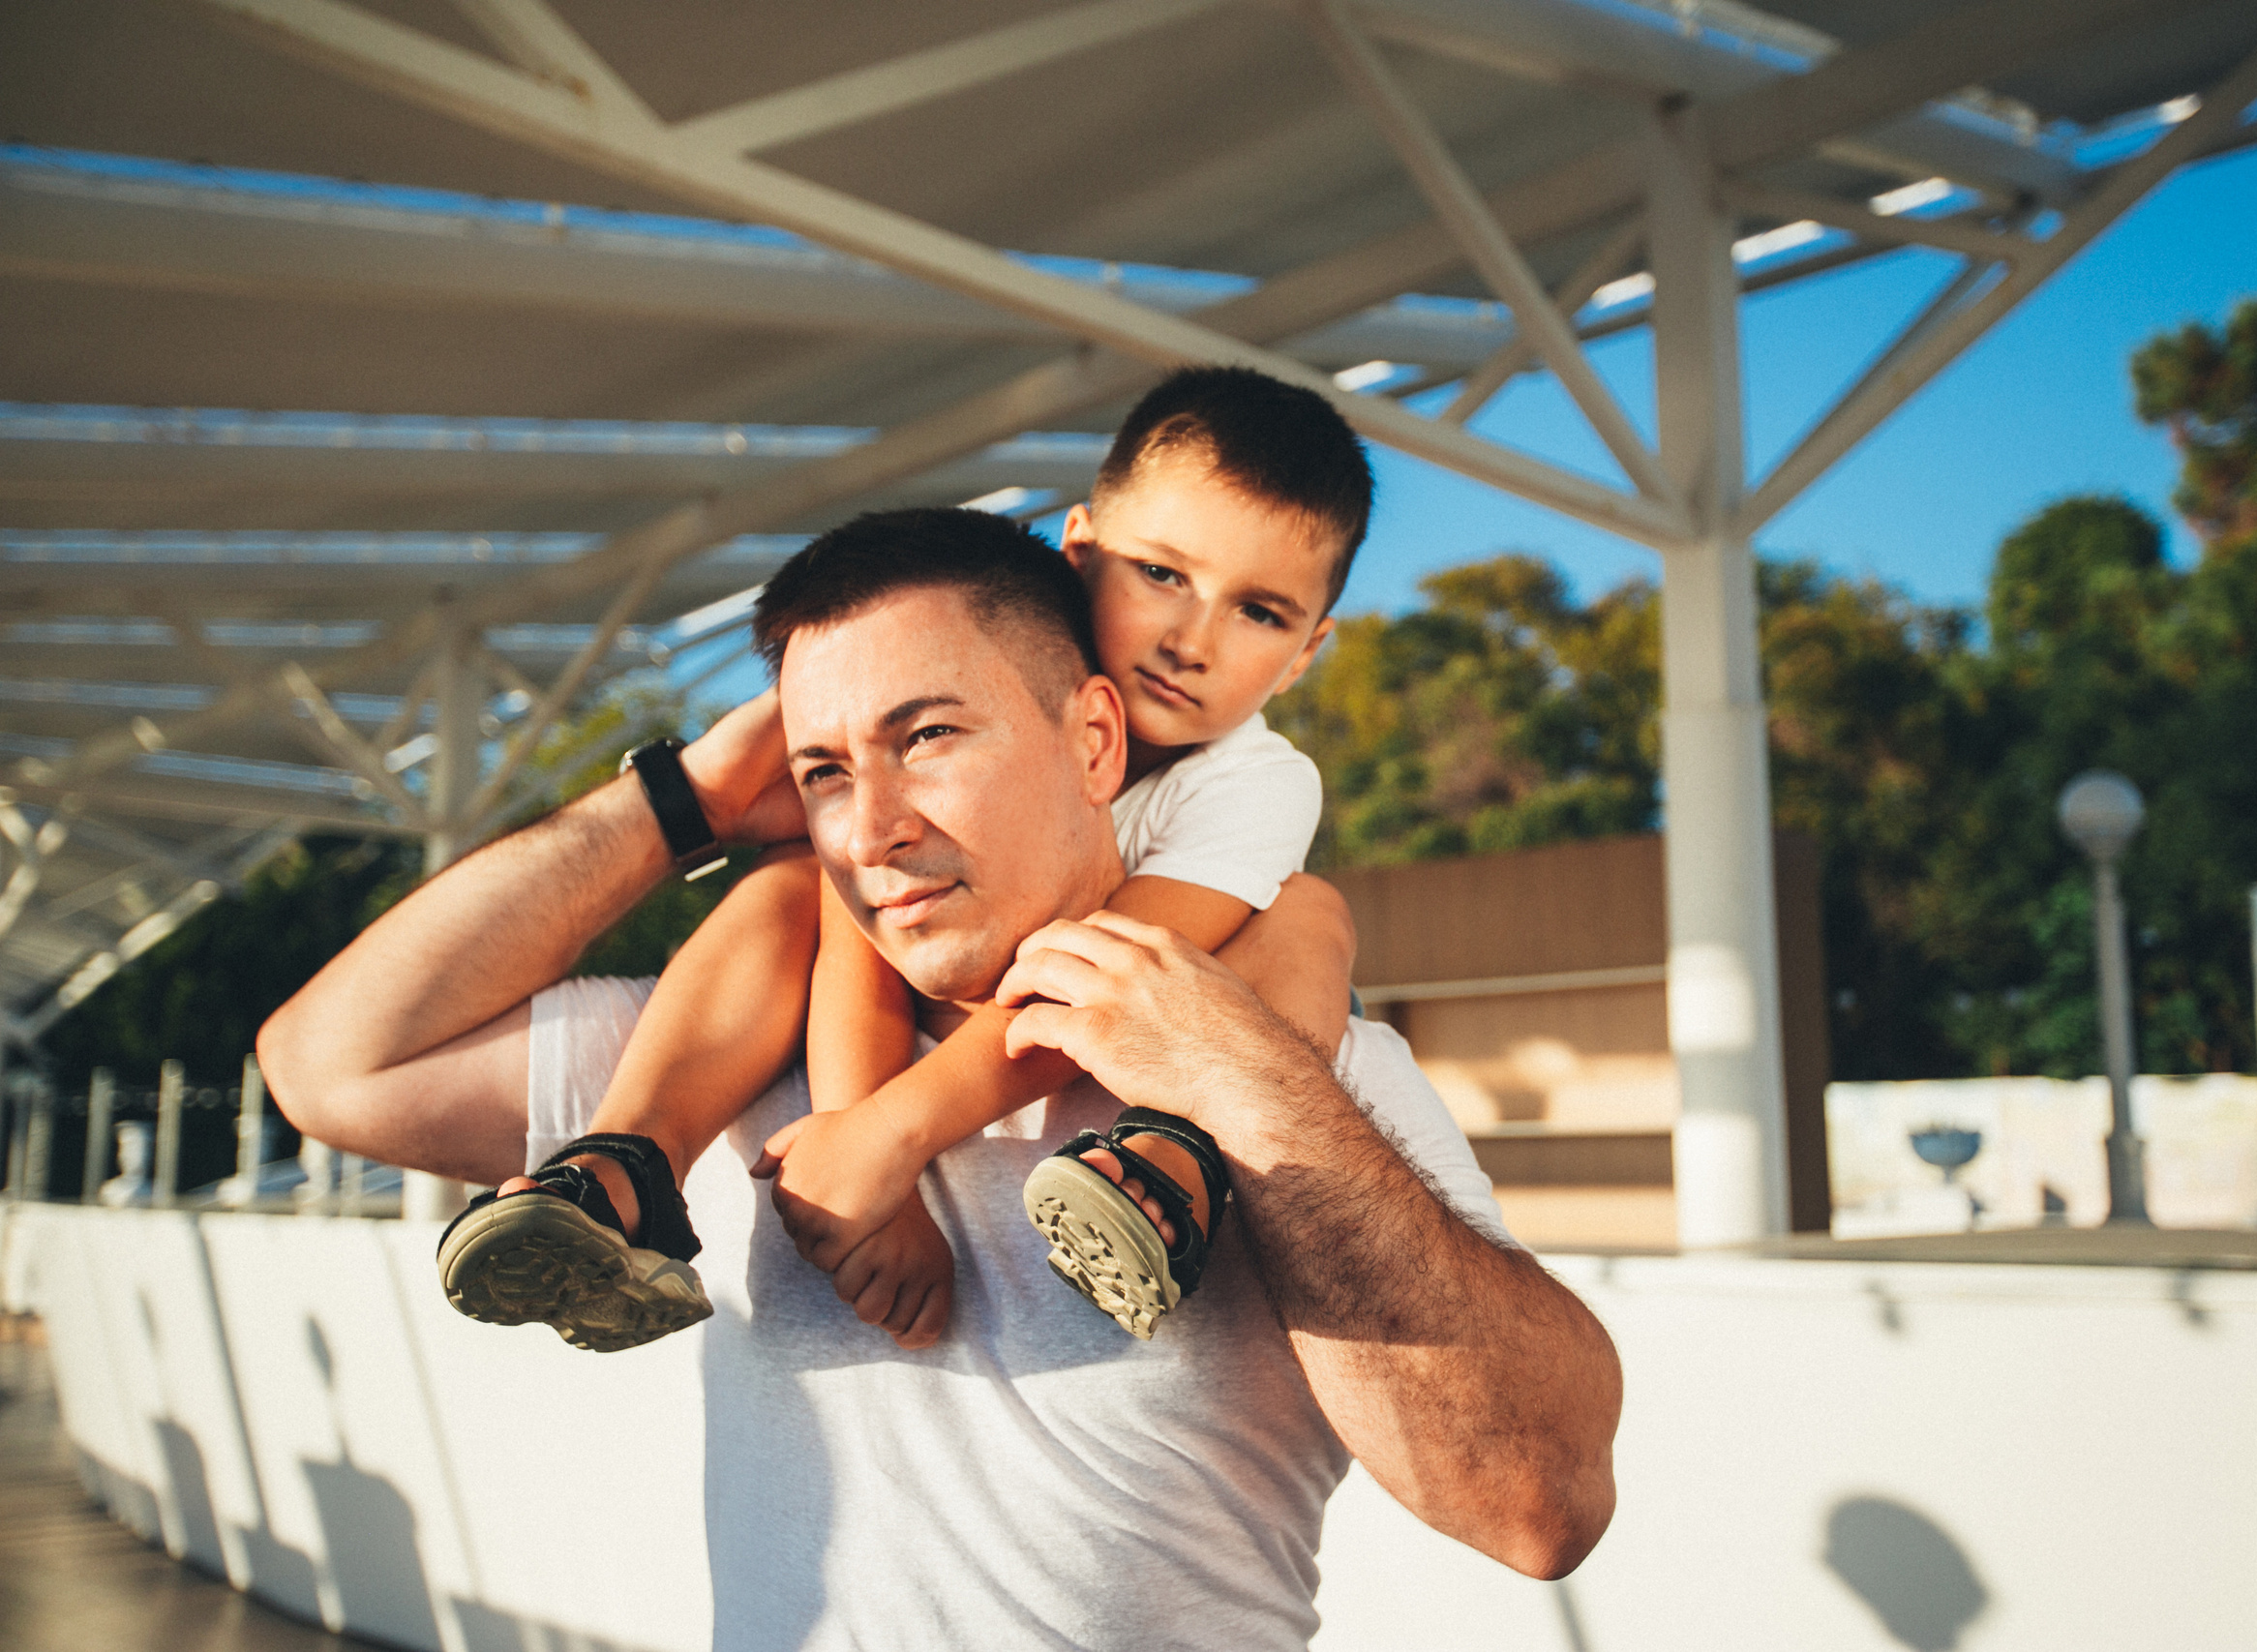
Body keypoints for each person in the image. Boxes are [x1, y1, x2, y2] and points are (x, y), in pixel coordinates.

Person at [257, 503, 1621, 1649]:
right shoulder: (736, 1041)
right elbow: (329, 1064)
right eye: (823, 768)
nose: (876, 827)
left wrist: (1243, 1088)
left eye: (927, 736)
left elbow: (1536, 1502)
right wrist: (694, 795)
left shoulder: (1307, 1065)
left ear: (1097, 742)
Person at [434, 368, 1368, 1353]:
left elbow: (1106, 978)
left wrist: (893, 1136)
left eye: (1259, 613)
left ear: (1306, 652)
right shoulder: (958, 712)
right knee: (794, 884)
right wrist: (860, 1151)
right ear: (1081, 548)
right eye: (1163, 576)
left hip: (1156, 1029)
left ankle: (1176, 1161)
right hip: (934, 1034)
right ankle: (620, 1170)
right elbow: (858, 934)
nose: (1191, 641)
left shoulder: (1257, 783)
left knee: (1308, 919)